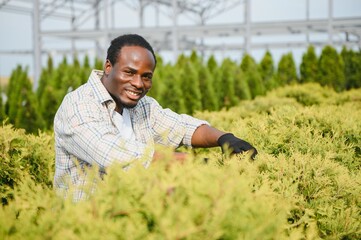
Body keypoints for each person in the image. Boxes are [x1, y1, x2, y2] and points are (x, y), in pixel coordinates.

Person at [54, 34, 257, 201]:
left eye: (146, 76)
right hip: (83, 225)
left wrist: (225, 139)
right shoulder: (78, 106)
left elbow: (182, 127)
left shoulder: (142, 106)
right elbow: (116, 157)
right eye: (129, 72)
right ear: (108, 67)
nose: (138, 83)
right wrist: (193, 165)